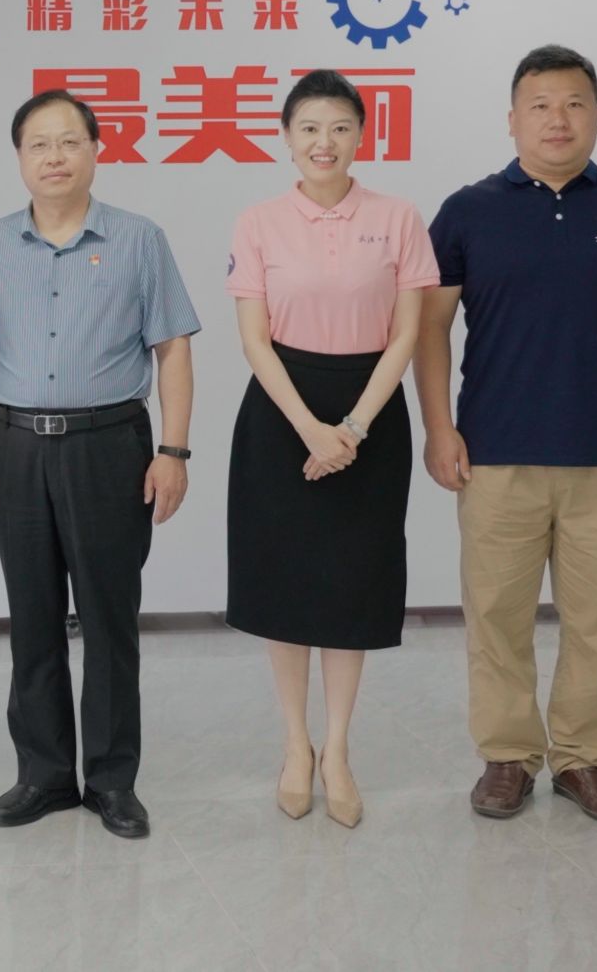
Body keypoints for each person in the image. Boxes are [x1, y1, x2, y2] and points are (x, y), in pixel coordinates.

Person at [415, 44, 597, 827]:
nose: (558, 119)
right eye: (540, 105)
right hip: (494, 452)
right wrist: (438, 427)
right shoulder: (467, 211)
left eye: (574, 103)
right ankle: (507, 755)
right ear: (512, 119)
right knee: (496, 615)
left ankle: (585, 759)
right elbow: (430, 329)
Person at [0, 89, 199, 839]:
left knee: (110, 617)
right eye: (38, 144)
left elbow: (173, 349)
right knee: (32, 616)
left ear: (95, 149)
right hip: (16, 446)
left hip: (110, 446)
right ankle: (43, 774)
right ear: (20, 157)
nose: (54, 157)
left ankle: (112, 779)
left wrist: (173, 451)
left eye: (68, 142)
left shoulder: (139, 240)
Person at [223, 70, 439, 829]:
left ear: (361, 136)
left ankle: (339, 749)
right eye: (310, 128)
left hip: (370, 410)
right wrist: (312, 430)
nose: (325, 142)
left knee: (353, 585)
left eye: (341, 127)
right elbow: (254, 341)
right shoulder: (258, 222)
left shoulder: (398, 217)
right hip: (281, 411)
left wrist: (351, 429)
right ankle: (295, 745)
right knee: (285, 585)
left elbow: (407, 334)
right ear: (287, 137)